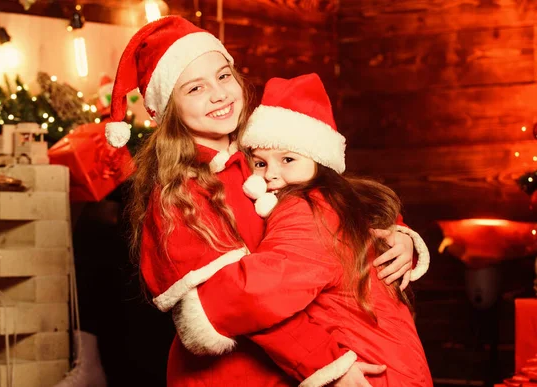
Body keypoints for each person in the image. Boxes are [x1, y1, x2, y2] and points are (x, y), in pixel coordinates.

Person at [104, 16, 428, 386]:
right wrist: (328, 364)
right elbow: (235, 301)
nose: (219, 94)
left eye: (224, 76)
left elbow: (334, 199)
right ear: (169, 109)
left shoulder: (264, 144)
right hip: (237, 375)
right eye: (195, 88)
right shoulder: (181, 193)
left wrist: (398, 236)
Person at [172, 73, 432, 386]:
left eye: (288, 159)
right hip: (393, 364)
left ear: (320, 160)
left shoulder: (305, 207)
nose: (271, 174)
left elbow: (267, 286)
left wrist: (202, 303)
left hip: (371, 373)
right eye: (261, 163)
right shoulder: (334, 198)